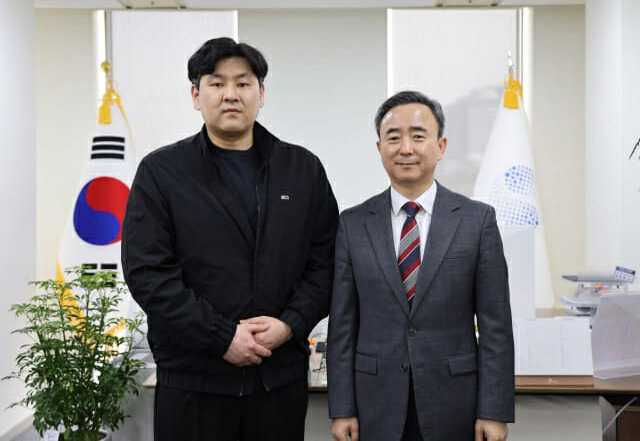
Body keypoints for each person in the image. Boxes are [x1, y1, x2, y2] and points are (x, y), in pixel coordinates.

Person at [122, 37, 338, 440]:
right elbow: (147, 273)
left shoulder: (301, 169)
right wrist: (220, 336)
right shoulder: (162, 172)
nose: (231, 94)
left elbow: (325, 263)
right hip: (193, 382)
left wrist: (289, 324)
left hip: (277, 381)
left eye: (243, 83)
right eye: (217, 83)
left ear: (261, 94)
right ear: (196, 95)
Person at [327, 91, 514, 441]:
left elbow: (496, 327)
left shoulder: (476, 221)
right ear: (379, 148)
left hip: (455, 402)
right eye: (393, 137)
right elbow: (342, 327)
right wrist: (342, 408)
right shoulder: (353, 224)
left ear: (441, 146)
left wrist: (494, 411)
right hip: (374, 403)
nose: (406, 148)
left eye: (418, 136)